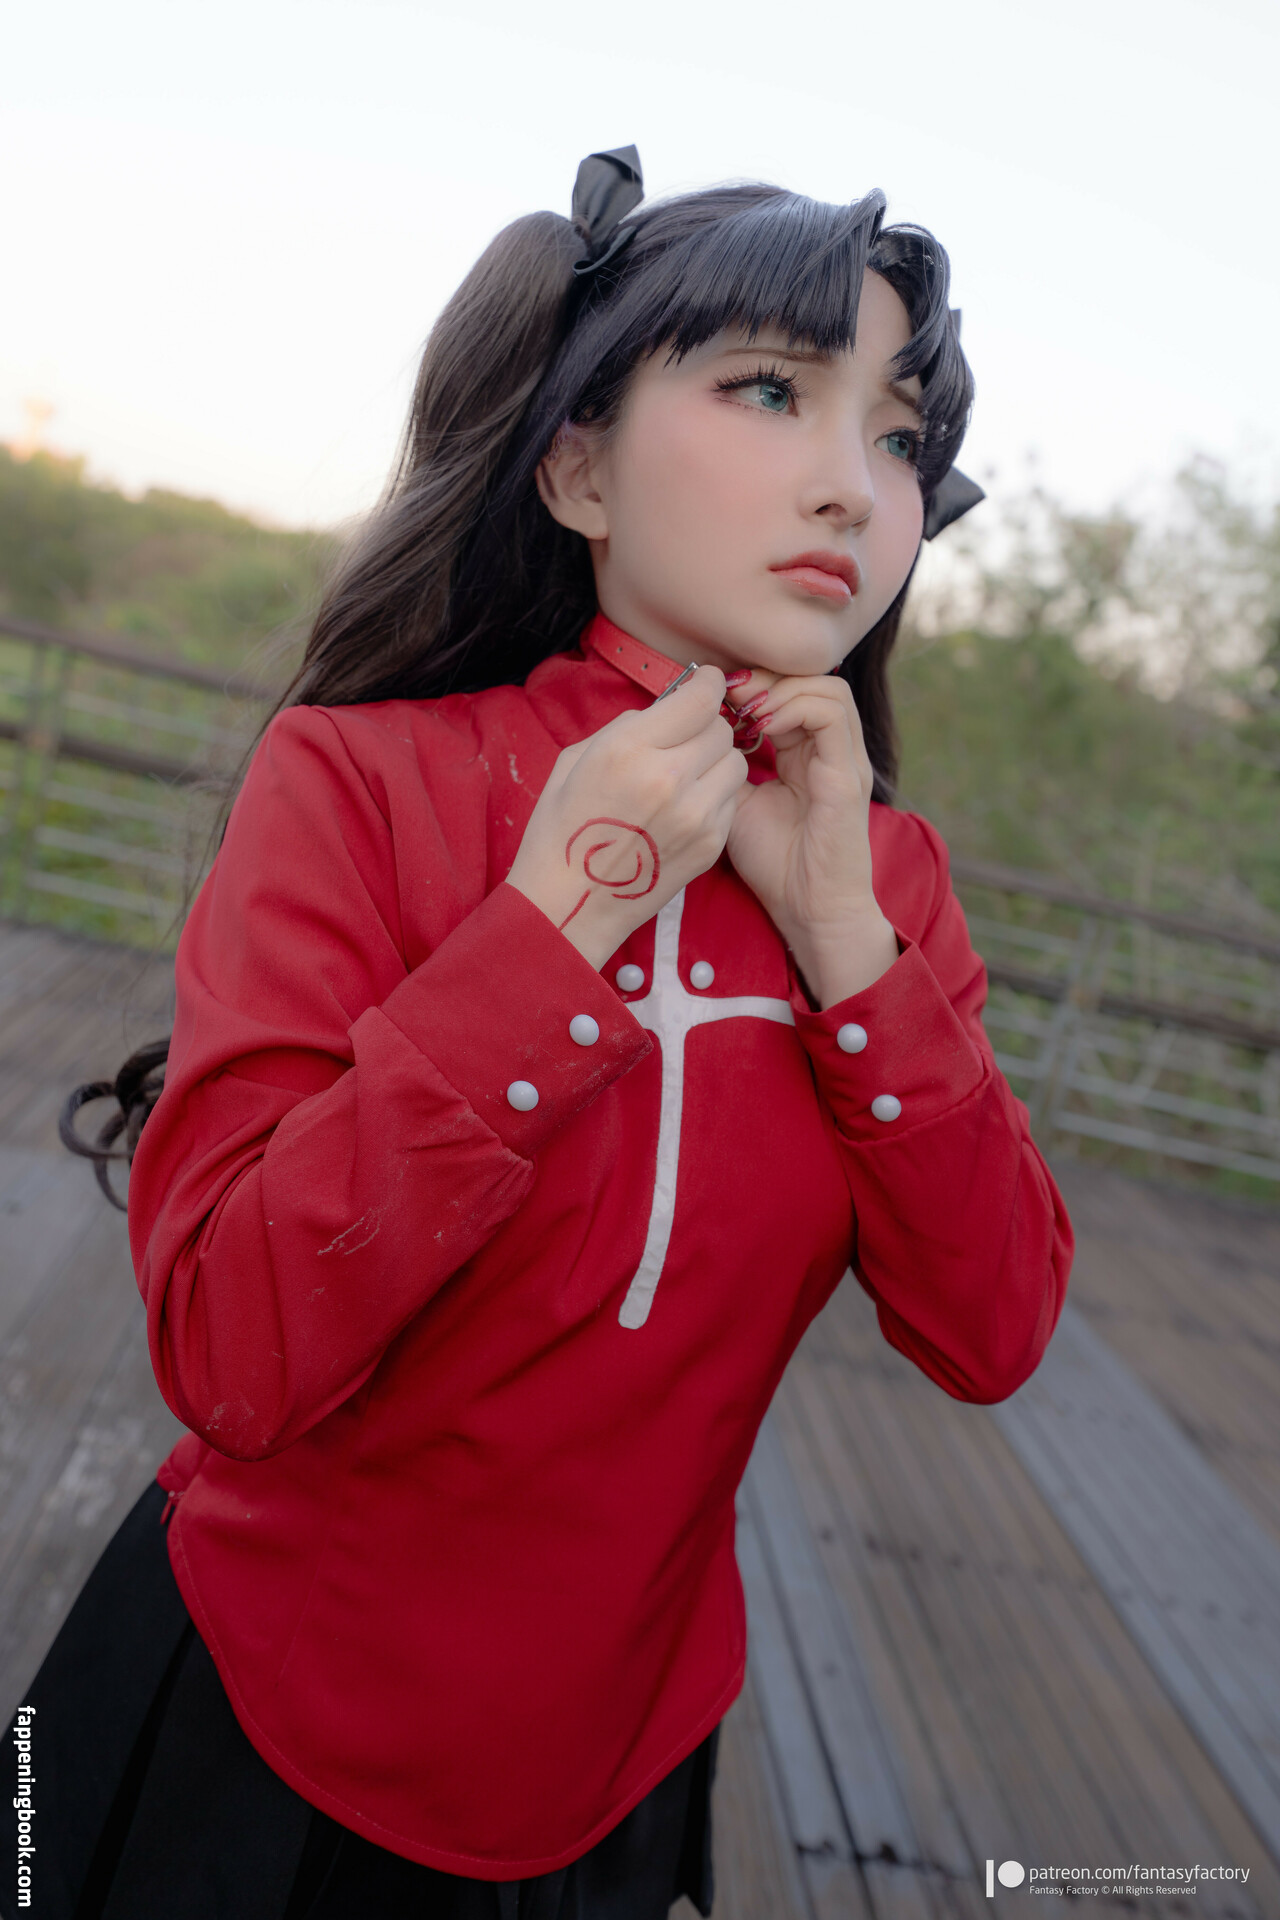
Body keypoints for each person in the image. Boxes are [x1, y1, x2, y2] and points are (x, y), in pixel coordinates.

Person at [5, 147, 1072, 1919]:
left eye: (899, 436)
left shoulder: (887, 886)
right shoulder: (361, 781)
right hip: (263, 1727)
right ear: (577, 466)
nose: (855, 484)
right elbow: (232, 1349)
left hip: (620, 1762)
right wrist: (558, 919)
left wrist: (845, 947)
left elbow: (996, 1330)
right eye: (769, 390)